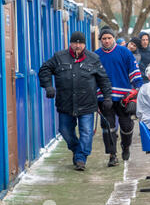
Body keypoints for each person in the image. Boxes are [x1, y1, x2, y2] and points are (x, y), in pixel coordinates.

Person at [39, 31, 112, 171]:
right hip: (65, 103)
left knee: (86, 132)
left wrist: (107, 97)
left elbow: (103, 79)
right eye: (75, 43)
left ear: (84, 44)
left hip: (87, 103)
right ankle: (77, 149)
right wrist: (48, 86)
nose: (78, 46)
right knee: (65, 130)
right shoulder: (59, 57)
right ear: (70, 43)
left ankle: (80, 159)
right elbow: (44, 70)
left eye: (80, 43)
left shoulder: (93, 58)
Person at [95, 26, 144, 166]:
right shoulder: (96, 55)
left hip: (124, 97)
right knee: (107, 127)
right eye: (104, 38)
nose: (106, 41)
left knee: (127, 126)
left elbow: (134, 71)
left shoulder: (124, 52)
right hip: (105, 97)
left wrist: (138, 86)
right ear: (100, 40)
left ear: (113, 38)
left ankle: (126, 146)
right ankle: (112, 155)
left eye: (109, 38)